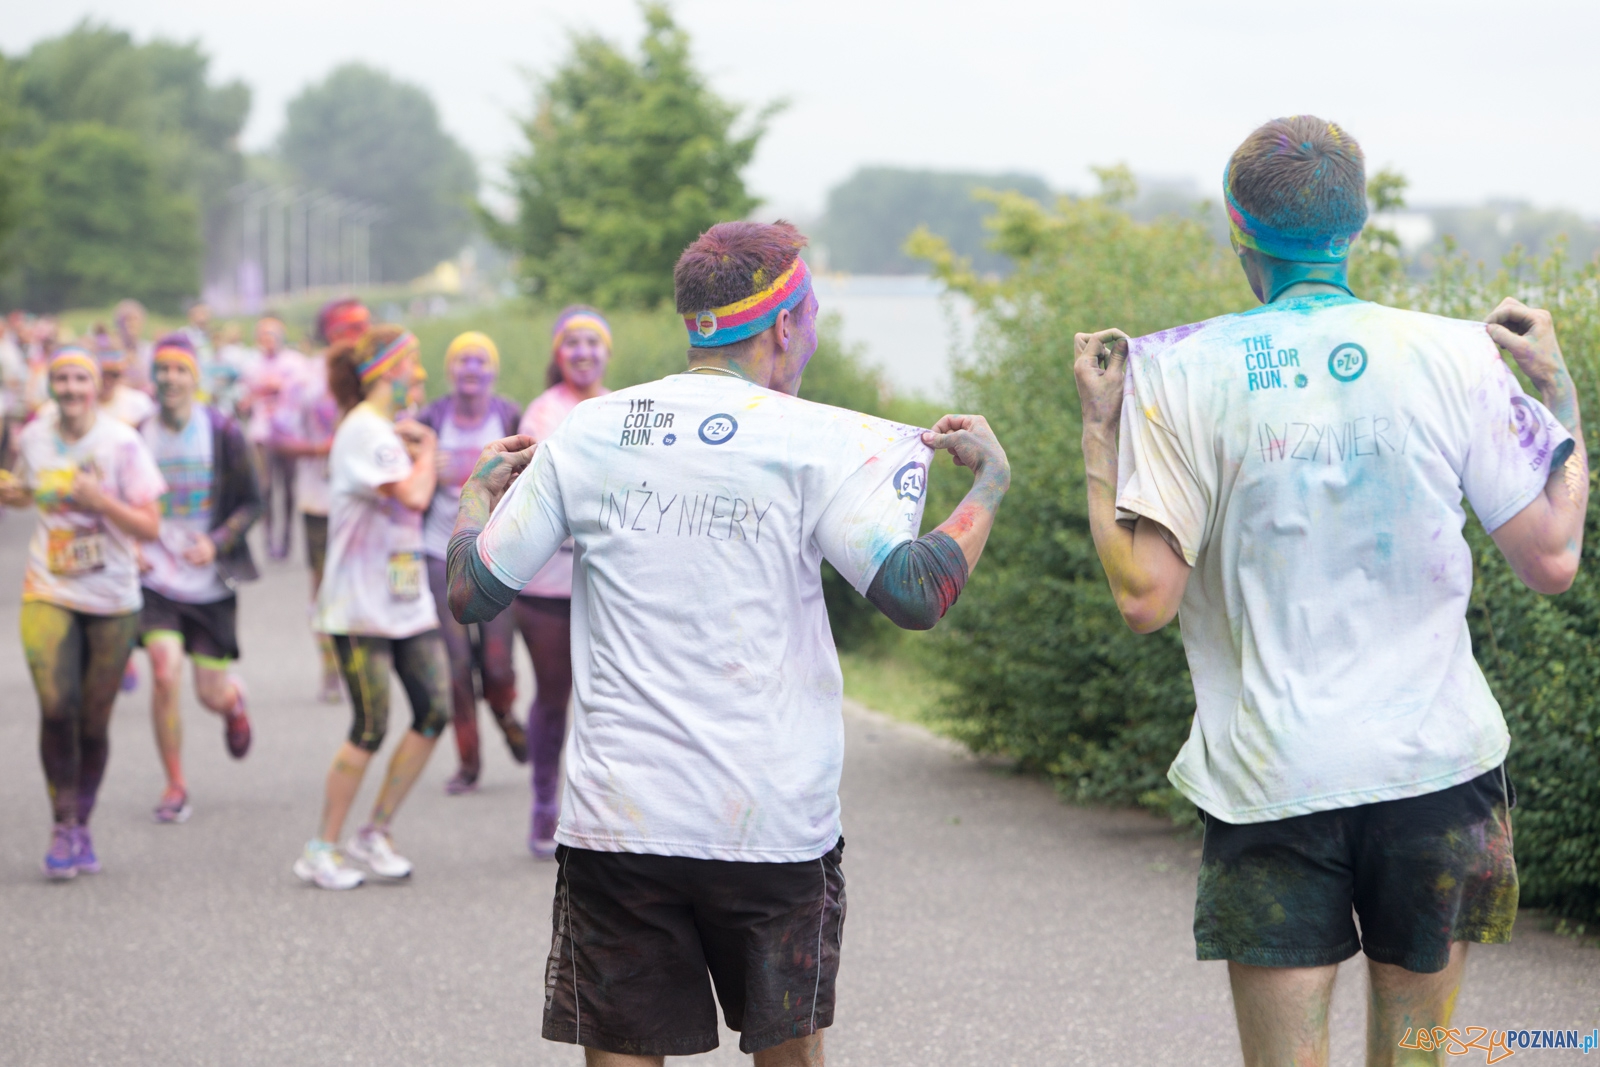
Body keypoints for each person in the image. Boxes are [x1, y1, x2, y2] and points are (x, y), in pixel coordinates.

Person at [1072, 117, 1588, 1067]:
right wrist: (1557, 389)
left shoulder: (1176, 370)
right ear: (1356, 223)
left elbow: (1144, 596)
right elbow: (1553, 558)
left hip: (1273, 780)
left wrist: (1100, 436)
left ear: (1240, 231)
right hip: (1439, 770)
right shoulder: (1456, 354)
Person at [447, 221, 1011, 1063]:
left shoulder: (590, 432)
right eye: (812, 312)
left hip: (620, 822)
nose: (812, 332)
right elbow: (915, 591)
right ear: (784, 324)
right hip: (771, 825)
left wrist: (471, 499)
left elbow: (472, 590)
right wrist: (991, 486)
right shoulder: (828, 441)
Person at [0, 346, 165, 878]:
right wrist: (12, 493)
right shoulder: (34, 438)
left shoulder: (122, 442)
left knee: (93, 722)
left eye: (79, 379)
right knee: (55, 708)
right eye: (61, 379)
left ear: (94, 387)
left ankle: (84, 822)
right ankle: (63, 822)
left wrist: (102, 502)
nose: (70, 388)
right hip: (47, 589)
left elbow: (150, 525)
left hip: (113, 596)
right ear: (50, 386)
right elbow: (29, 493)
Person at [294, 326, 447, 890]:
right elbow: (411, 494)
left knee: (434, 711)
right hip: (359, 605)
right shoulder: (364, 428)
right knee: (370, 726)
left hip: (404, 599)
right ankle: (321, 848)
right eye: (415, 364)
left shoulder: (380, 431)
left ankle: (374, 832)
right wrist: (427, 451)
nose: (422, 375)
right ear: (389, 369)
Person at [139, 335, 262, 823]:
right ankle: (175, 783)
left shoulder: (222, 431)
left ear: (196, 379)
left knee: (209, 693)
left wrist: (216, 541)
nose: (170, 378)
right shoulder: (137, 434)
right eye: (162, 369)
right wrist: (131, 546)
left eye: (180, 370)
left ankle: (233, 703)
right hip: (156, 577)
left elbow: (253, 502)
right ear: (152, 377)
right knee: (165, 671)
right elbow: (120, 500)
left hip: (209, 579)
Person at [513, 306, 612, 852]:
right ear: (558, 353)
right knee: (554, 697)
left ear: (606, 352)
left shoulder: (627, 408)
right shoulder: (542, 413)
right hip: (548, 586)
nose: (582, 352)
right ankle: (544, 803)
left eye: (592, 343)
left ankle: (597, 811)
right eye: (572, 342)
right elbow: (532, 493)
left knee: (609, 700)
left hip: (607, 585)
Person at [412, 331, 526, 795]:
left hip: (497, 554)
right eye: (462, 360)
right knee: (456, 666)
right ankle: (469, 763)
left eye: (480, 360)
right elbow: (402, 472)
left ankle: (505, 714)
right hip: (439, 551)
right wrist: (422, 464)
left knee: (497, 665)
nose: (471, 368)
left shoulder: (509, 414)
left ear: (493, 370)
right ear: (450, 370)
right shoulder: (431, 418)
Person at [273, 298, 367, 702]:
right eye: (346, 328)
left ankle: (362, 665)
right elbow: (277, 436)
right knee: (324, 584)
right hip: (320, 500)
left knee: (363, 581)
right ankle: (330, 665)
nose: (355, 335)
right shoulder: (306, 380)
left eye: (361, 326)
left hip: (369, 500)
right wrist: (321, 448)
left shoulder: (375, 376)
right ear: (327, 333)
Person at [239, 317, 307, 559]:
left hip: (288, 433)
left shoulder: (295, 362)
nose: (267, 341)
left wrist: (277, 387)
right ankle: (269, 539)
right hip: (262, 434)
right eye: (263, 336)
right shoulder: (251, 364)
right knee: (265, 487)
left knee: (288, 487)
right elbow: (246, 396)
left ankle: (286, 536)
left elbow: (301, 391)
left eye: (271, 335)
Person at [114, 299, 154, 393]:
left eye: (135, 319)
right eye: (126, 319)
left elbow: (153, 379)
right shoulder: (110, 350)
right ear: (118, 323)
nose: (131, 324)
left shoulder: (149, 350)